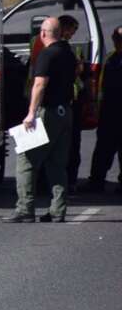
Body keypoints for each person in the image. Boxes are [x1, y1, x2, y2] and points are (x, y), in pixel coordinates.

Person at [3, 16, 78, 223]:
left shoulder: (47, 54)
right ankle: (57, 210)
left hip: (48, 113)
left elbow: (39, 85)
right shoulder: (67, 53)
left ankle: (25, 209)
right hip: (65, 112)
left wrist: (30, 113)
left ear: (43, 33)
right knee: (56, 164)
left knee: (26, 159)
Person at [82, 25, 122, 194]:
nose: (118, 42)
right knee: (103, 150)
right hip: (109, 113)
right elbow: (100, 86)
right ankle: (96, 182)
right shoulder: (110, 59)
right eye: (117, 38)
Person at [58, 14, 86, 188]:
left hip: (61, 101)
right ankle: (69, 181)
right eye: (72, 31)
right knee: (70, 144)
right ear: (64, 28)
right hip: (66, 102)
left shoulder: (39, 44)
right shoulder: (67, 50)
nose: (72, 35)